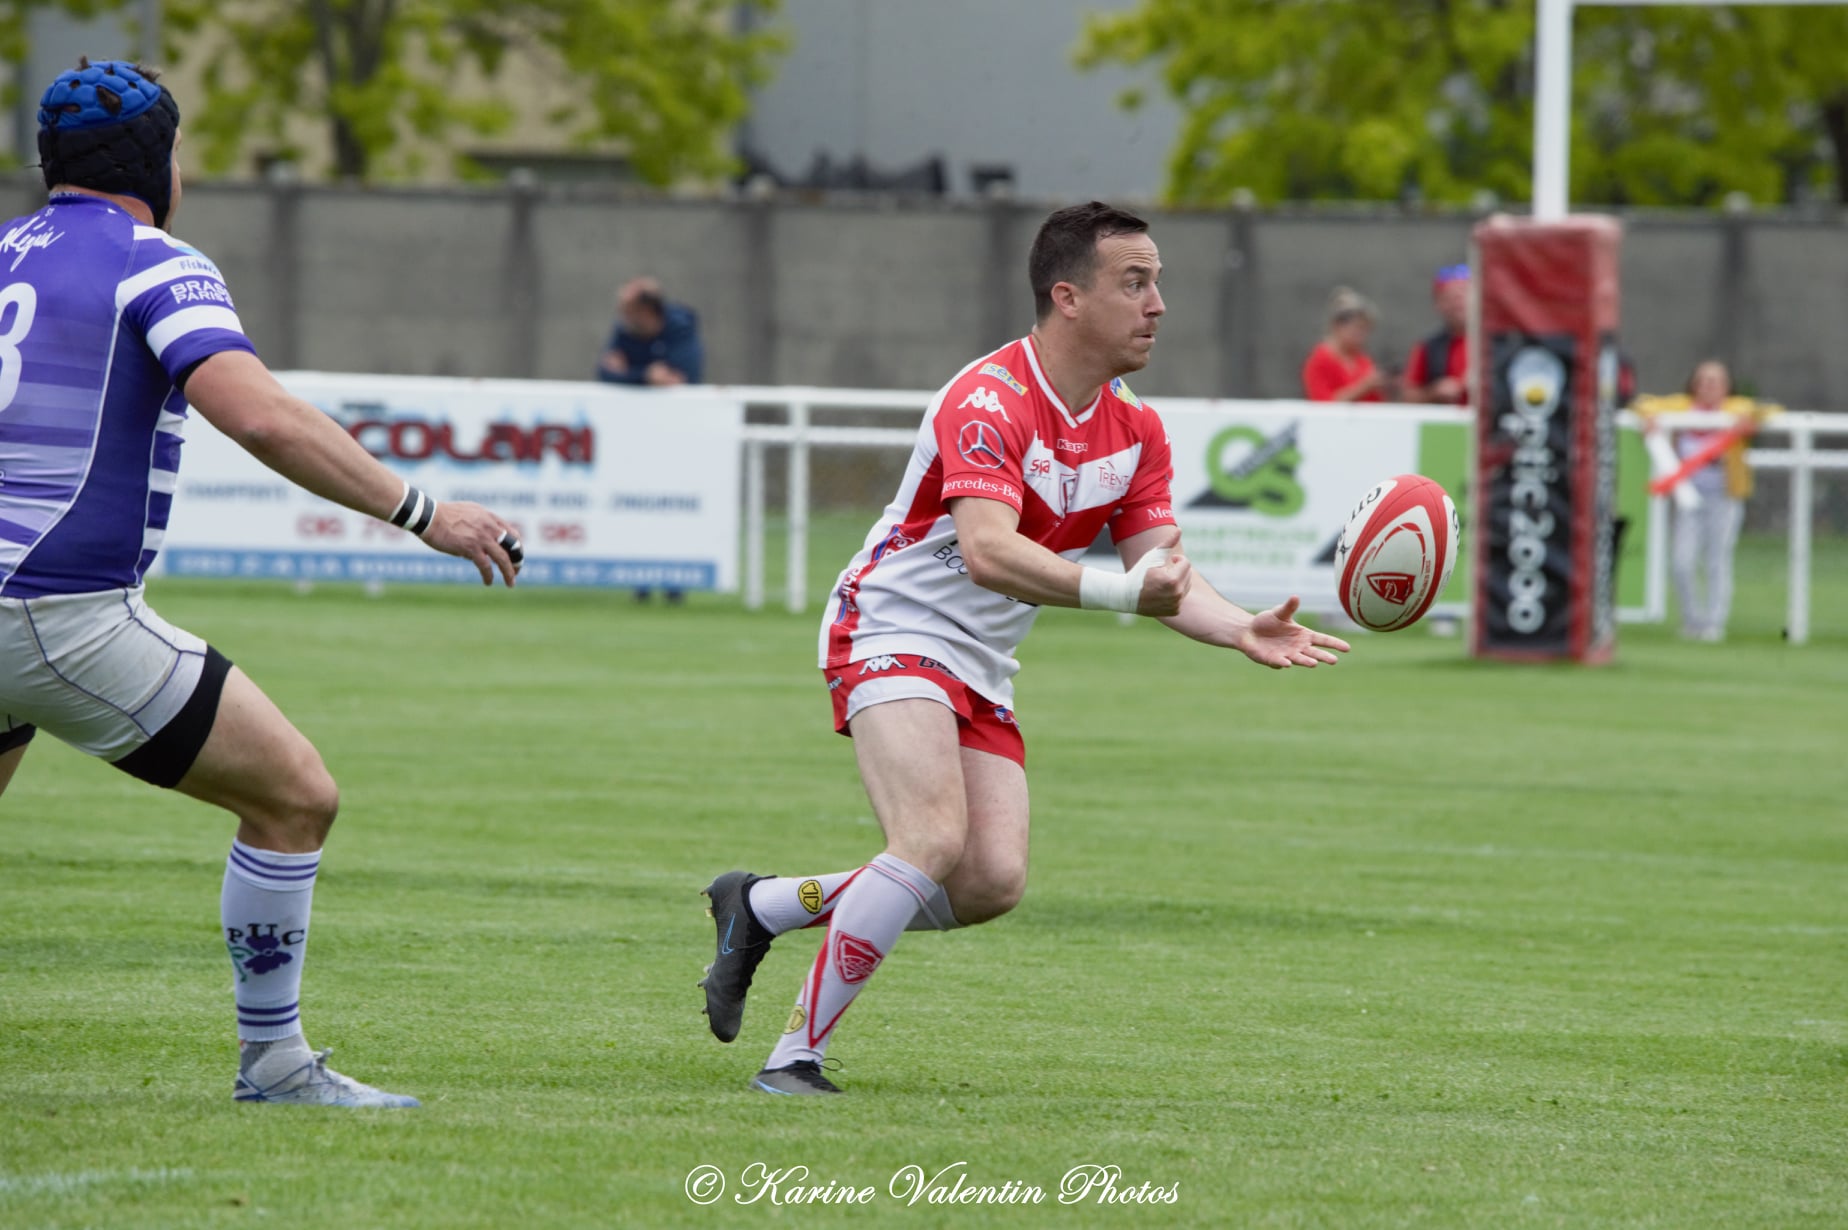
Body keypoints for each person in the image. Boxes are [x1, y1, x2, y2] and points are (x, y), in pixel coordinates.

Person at [696, 201, 1351, 1095]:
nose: (1159, 303)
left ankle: (763, 904)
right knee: (927, 838)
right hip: (892, 625)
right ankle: (793, 1057)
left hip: (981, 660)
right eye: (1137, 281)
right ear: (1067, 296)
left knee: (989, 883)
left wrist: (1238, 625)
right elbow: (988, 551)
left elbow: (1161, 572)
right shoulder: (987, 400)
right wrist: (1128, 592)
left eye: (1159, 281)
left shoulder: (1137, 430)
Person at [0, 60, 524, 1107]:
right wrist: (424, 513)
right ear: (161, 163)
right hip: (53, 612)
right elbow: (263, 415)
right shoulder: (155, 261)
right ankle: (276, 1062)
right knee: (294, 797)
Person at [1633, 360, 1776, 642]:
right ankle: (1692, 620)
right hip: (1688, 496)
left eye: (1715, 381)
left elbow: (1766, 411)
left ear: (1726, 387)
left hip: (1724, 495)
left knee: (1716, 560)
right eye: (1703, 380)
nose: (1709, 387)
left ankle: (1713, 623)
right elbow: (1642, 403)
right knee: (1682, 562)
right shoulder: (1681, 408)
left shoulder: (1736, 409)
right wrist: (1647, 418)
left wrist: (1750, 422)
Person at [595, 276, 704, 387]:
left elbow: (682, 377)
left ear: (646, 311)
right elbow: (605, 373)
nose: (622, 315)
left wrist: (628, 373)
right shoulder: (624, 329)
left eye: (627, 310)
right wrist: (645, 376)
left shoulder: (680, 329)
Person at [1301, 287, 1390, 402]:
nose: (1361, 336)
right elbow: (1324, 405)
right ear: (1337, 326)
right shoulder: (1319, 360)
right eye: (1357, 329)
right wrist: (1364, 387)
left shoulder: (1362, 360)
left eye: (1365, 330)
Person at [1402, 263, 1470, 404]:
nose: (1458, 303)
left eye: (1463, 294)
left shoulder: (1498, 343)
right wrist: (1434, 392)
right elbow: (1408, 396)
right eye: (1450, 298)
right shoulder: (1429, 347)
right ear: (1438, 304)